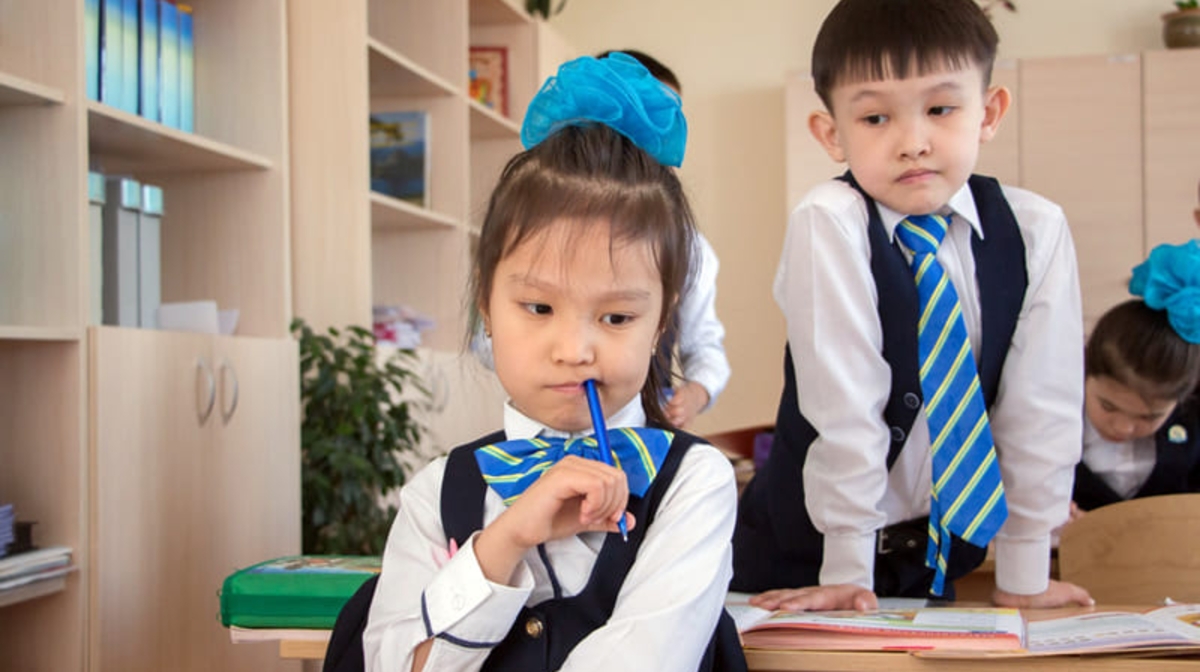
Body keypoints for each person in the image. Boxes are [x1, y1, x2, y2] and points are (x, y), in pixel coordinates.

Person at [362, 53, 745, 672]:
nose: (575, 349)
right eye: (538, 307)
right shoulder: (436, 493)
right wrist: (506, 539)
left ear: (662, 321)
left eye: (617, 317)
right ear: (486, 302)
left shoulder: (693, 484)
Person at [732, 0, 1093, 611]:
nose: (913, 143)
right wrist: (847, 568)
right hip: (807, 563)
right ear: (831, 134)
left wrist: (1025, 572)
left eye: (941, 109)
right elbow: (845, 408)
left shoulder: (1036, 229)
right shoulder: (830, 223)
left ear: (989, 112)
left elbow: (1041, 409)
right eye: (875, 118)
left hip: (931, 563)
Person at [594, 49, 732, 430]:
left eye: (671, 120)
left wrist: (696, 392)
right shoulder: (543, 227)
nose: (659, 134)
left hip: (643, 431)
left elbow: (705, 345)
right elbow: (488, 343)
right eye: (647, 115)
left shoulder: (688, 246)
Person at [1071, 242, 1200, 515]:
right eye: (1108, 406)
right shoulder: (1050, 418)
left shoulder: (1194, 431)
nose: (1123, 427)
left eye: (1148, 417)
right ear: (1086, 373)